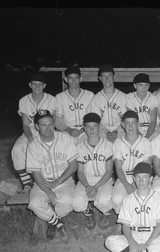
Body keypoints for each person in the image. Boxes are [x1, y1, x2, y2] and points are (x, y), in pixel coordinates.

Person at [105, 162, 160, 252]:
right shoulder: (128, 199)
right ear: (134, 179)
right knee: (109, 241)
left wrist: (147, 243)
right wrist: (132, 242)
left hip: (153, 235)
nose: (141, 181)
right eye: (138, 177)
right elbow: (125, 226)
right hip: (134, 234)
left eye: (145, 177)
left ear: (151, 179)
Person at [26, 110, 78, 242]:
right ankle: (57, 223)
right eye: (43, 125)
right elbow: (36, 175)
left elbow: (74, 166)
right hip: (42, 182)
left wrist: (57, 182)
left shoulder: (65, 138)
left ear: (54, 123)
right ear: (37, 127)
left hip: (64, 181)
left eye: (50, 124)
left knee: (66, 201)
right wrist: (49, 192)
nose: (48, 128)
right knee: (35, 203)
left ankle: (51, 218)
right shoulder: (33, 146)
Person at [11, 73, 57, 191]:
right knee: (17, 149)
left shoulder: (51, 99)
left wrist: (41, 139)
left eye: (40, 84)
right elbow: (25, 125)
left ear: (44, 85)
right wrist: (31, 140)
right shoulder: (24, 101)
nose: (37, 87)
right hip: (31, 130)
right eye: (34, 84)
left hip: (47, 129)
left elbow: (51, 123)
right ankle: (27, 183)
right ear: (30, 85)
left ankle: (49, 178)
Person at [71, 113, 114, 230]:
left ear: (99, 127)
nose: (91, 129)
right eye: (88, 126)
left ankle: (106, 214)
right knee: (76, 204)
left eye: (94, 126)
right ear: (84, 128)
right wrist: (86, 185)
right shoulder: (79, 147)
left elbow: (109, 171)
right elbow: (79, 171)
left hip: (104, 179)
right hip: (85, 179)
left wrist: (95, 187)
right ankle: (88, 212)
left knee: (105, 201)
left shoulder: (108, 145)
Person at [112, 111, 152, 214]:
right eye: (127, 123)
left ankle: (142, 221)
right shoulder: (118, 143)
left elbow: (147, 167)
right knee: (117, 198)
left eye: (133, 123)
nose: (130, 126)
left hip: (142, 178)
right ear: (122, 125)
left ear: (138, 124)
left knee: (145, 198)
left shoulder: (145, 142)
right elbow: (118, 168)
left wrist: (137, 183)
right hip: (123, 178)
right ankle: (124, 221)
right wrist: (127, 185)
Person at [55, 64, 94, 143]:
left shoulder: (90, 95)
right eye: (70, 78)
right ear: (66, 79)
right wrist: (68, 130)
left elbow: (93, 117)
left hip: (86, 132)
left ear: (80, 79)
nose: (73, 81)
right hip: (66, 132)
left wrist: (84, 129)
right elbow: (57, 120)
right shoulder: (59, 97)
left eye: (76, 78)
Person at [88, 64, 127, 142]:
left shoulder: (124, 97)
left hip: (121, 132)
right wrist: (106, 132)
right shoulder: (96, 98)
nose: (107, 79)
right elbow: (95, 120)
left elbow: (126, 119)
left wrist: (116, 131)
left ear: (114, 77)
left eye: (109, 75)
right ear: (100, 79)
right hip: (102, 132)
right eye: (104, 76)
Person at [125, 73, 160, 141]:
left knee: (157, 140)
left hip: (152, 130)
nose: (143, 88)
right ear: (135, 86)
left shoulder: (153, 98)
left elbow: (153, 122)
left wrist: (147, 137)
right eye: (140, 85)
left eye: (146, 85)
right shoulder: (130, 97)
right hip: (135, 129)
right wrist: (140, 136)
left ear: (149, 86)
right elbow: (131, 120)